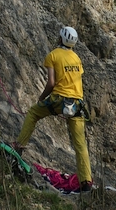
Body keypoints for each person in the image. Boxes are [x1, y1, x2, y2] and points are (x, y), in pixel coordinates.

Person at [14, 26, 93, 192]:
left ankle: (18, 149)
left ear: (60, 39)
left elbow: (51, 83)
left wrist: (41, 98)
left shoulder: (53, 55)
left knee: (34, 113)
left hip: (58, 100)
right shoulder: (76, 58)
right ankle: (86, 181)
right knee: (80, 143)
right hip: (77, 104)